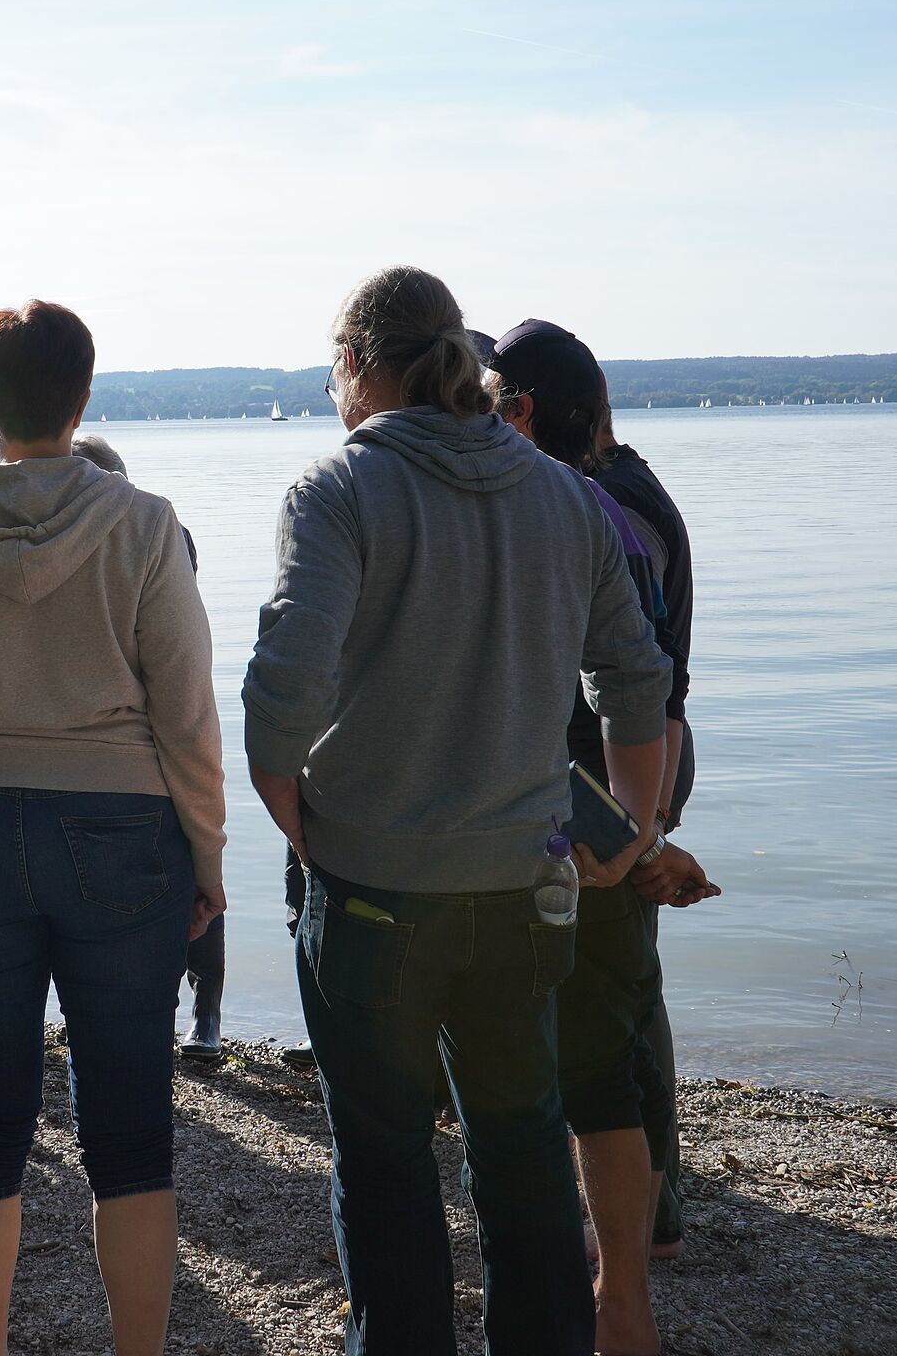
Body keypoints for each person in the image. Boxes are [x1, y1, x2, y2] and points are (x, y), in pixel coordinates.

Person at [241, 266, 671, 1356]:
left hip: (374, 891)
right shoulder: (566, 497)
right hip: (528, 883)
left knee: (385, 1159)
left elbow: (280, 700)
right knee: (522, 1148)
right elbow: (637, 678)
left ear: (353, 367)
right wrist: (629, 830)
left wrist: (308, 827)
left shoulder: (335, 491)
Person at [0, 302, 224, 1356]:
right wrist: (204, 852)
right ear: (84, 396)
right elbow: (187, 714)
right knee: (130, 1132)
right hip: (124, 832)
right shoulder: (146, 524)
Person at [491, 317, 716, 1356]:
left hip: (591, 790)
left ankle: (625, 1270)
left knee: (592, 1033)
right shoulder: (635, 487)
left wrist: (629, 826)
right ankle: (638, 1252)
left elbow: (618, 683)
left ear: (523, 409)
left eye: (489, 403)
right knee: (621, 1015)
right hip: (634, 775)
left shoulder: (573, 510)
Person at [70, 434, 225, 1063]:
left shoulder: (161, 534)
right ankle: (161, 1013)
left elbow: (175, 655)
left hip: (168, 721)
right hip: (128, 743)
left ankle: (207, 1012)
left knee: (196, 867)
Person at [592, 405, 698, 1255]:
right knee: (624, 996)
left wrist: (648, 833)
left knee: (618, 1005)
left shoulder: (603, 506)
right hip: (631, 770)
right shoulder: (616, 491)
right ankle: (641, 1222)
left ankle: (643, 1227)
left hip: (622, 774)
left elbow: (643, 681)